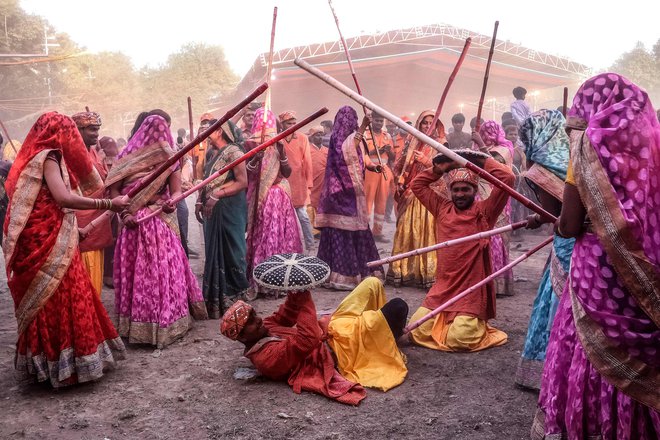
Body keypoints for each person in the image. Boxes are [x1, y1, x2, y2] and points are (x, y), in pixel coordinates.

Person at [532, 74, 660, 439]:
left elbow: (569, 224)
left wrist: (558, 225)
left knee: (594, 349)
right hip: (648, 264)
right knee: (642, 348)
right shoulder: (654, 147)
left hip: (597, 271)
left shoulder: (587, 151)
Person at [3, 112, 128, 386]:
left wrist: (78, 230)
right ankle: (66, 365)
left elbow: (47, 204)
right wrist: (109, 205)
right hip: (47, 242)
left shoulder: (34, 159)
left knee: (51, 298)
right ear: (60, 133)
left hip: (46, 237)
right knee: (63, 295)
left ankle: (48, 365)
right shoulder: (49, 157)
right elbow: (62, 198)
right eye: (71, 131)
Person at [220, 277, 408, 403]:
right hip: (339, 350)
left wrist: (295, 290)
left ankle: (380, 334)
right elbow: (308, 339)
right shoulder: (266, 360)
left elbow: (287, 314)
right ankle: (383, 338)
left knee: (372, 283)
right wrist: (304, 296)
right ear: (242, 337)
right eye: (252, 322)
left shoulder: (264, 328)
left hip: (332, 328)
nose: (259, 320)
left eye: (254, 315)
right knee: (398, 307)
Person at [108, 114, 207, 347]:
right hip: (132, 226)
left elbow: (175, 192)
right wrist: (125, 214)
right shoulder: (126, 158)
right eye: (157, 131)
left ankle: (167, 320)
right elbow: (113, 193)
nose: (160, 137)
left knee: (161, 273)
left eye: (164, 132)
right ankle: (138, 324)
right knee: (139, 275)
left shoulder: (172, 159)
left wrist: (171, 202)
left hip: (159, 222)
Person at [408, 151, 515, 351]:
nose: (459, 194)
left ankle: (462, 325)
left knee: (460, 340)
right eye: (455, 189)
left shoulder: (484, 212)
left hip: (470, 291)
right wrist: (440, 169)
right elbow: (417, 185)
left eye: (465, 189)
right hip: (443, 288)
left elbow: (508, 178)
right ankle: (447, 325)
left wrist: (480, 161)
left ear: (474, 191)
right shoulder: (441, 207)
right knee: (416, 331)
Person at [514, 109, 574, 390]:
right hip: (592, 244)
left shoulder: (540, 171)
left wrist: (537, 217)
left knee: (555, 304)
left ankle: (549, 371)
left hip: (567, 244)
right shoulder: (575, 158)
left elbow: (555, 218)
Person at [316, 107, 384, 290]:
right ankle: (339, 276)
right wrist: (363, 127)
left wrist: (373, 167)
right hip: (339, 193)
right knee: (341, 231)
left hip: (354, 192)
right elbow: (346, 152)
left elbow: (363, 159)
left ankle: (360, 272)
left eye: (351, 120)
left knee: (358, 229)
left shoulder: (357, 138)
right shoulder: (337, 138)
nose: (349, 123)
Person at [245, 108, 303, 294]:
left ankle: (281, 279)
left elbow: (286, 172)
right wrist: (256, 157)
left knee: (281, 235)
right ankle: (264, 279)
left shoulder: (279, 143)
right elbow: (247, 173)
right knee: (263, 235)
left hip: (279, 195)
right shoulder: (249, 144)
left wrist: (281, 152)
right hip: (261, 196)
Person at [196, 120, 249, 318]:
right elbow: (207, 181)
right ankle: (217, 300)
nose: (205, 133)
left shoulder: (234, 152)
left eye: (209, 129)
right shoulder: (213, 154)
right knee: (213, 252)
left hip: (230, 208)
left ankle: (236, 297)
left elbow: (242, 182)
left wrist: (217, 195)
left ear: (219, 131)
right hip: (214, 210)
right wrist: (200, 201)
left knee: (233, 250)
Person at [388, 110, 446, 288]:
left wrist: (428, 162)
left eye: (431, 123)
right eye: (425, 123)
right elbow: (399, 166)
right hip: (410, 193)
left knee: (428, 233)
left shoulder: (441, 144)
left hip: (429, 194)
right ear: (419, 124)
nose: (428, 126)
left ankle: (427, 273)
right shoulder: (411, 142)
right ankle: (403, 272)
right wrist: (400, 180)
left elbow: (446, 171)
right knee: (406, 230)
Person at [71, 111, 112, 296]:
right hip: (82, 222)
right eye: (91, 130)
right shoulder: (72, 152)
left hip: (98, 220)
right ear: (78, 130)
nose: (96, 134)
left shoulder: (93, 151)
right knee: (84, 283)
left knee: (95, 279)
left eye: (97, 129)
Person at [473, 121, 515, 297]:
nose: (487, 136)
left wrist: (481, 146)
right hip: (480, 195)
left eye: (488, 133)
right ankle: (479, 281)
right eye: (484, 133)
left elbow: (495, 167)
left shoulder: (504, 149)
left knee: (495, 238)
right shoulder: (476, 148)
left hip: (497, 196)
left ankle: (495, 283)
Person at [279, 111, 315, 252]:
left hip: (299, 182)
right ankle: (287, 247)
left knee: (303, 216)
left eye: (295, 123)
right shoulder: (278, 139)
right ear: (282, 124)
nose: (293, 126)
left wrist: (309, 184)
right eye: (289, 123)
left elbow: (307, 161)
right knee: (283, 217)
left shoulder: (302, 138)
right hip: (283, 182)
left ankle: (310, 246)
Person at [363, 113, 394, 239]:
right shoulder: (366, 134)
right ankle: (364, 232)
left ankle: (377, 232)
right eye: (377, 120)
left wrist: (388, 151)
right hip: (370, 171)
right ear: (372, 121)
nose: (379, 123)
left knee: (382, 202)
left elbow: (393, 157)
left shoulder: (387, 136)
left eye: (381, 121)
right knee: (367, 202)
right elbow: (362, 153)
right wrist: (377, 151)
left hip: (384, 171)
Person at [306, 125, 327, 237]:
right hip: (311, 181)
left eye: (321, 135)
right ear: (312, 137)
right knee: (311, 205)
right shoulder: (308, 150)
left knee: (322, 204)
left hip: (324, 182)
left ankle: (321, 227)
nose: (319, 137)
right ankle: (313, 231)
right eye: (316, 135)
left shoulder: (327, 151)